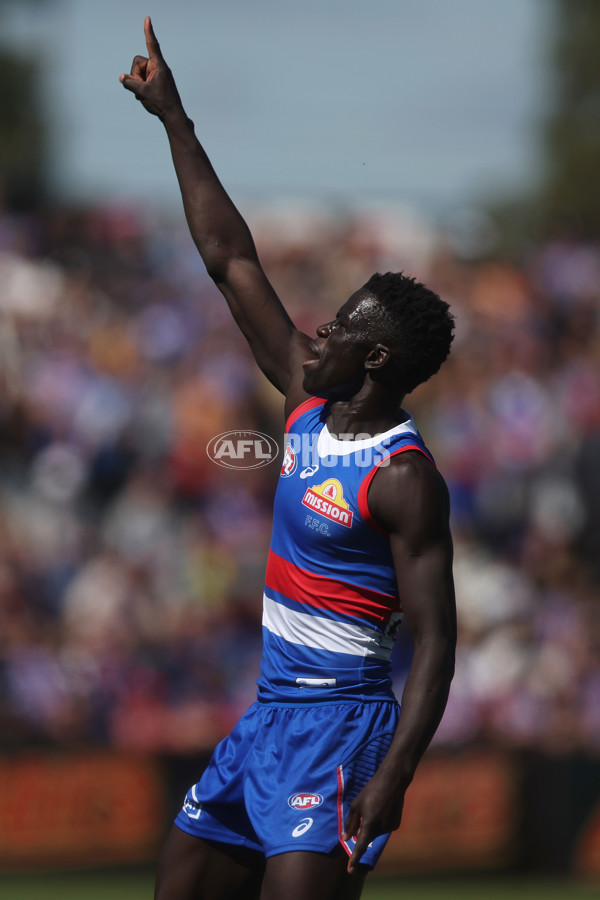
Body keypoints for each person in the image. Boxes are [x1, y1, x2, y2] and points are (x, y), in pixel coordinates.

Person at [121, 18, 456, 900]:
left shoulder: (405, 479)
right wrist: (175, 121)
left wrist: (393, 782)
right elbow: (230, 259)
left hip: (344, 732)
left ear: (377, 359)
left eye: (342, 327)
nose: (323, 330)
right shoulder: (307, 400)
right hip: (267, 721)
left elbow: (437, 646)